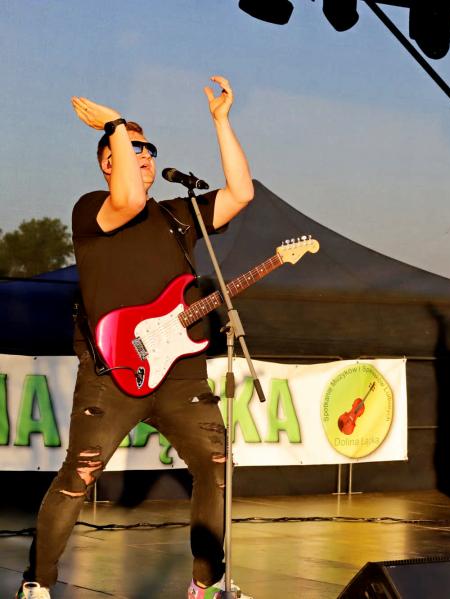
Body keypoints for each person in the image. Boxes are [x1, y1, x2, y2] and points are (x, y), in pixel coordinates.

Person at [17, 76, 254, 599]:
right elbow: (126, 199)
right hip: (112, 373)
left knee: (217, 467)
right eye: (131, 148)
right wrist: (115, 124)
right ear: (109, 162)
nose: (143, 155)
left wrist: (221, 122)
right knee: (78, 476)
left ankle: (206, 583)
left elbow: (241, 193)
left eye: (148, 149)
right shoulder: (92, 209)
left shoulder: (177, 216)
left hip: (181, 373)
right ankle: (37, 583)